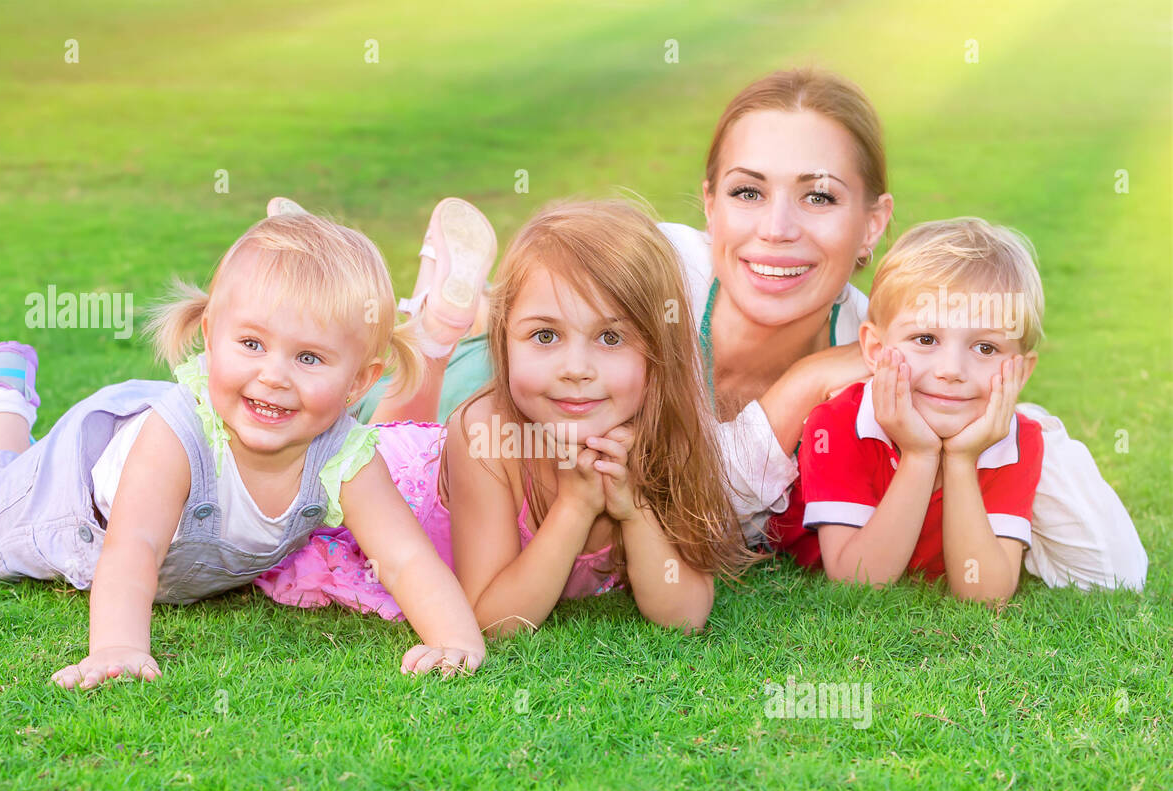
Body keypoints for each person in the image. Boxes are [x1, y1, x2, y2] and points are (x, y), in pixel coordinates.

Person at [356, 68, 1147, 590]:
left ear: (873, 224)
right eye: (747, 192)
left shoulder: (906, 352)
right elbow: (695, 492)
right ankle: (432, 328)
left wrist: (1011, 420)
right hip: (497, 384)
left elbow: (1118, 570)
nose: (776, 230)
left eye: (820, 197)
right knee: (383, 426)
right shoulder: (663, 269)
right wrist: (803, 384)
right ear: (708, 203)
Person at [0, 212, 485, 687]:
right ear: (210, 337)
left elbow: (406, 558)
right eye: (251, 343)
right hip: (71, 499)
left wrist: (453, 638)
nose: (274, 376)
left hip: (168, 528)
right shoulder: (178, 436)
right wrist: (119, 649)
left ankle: (0, 399)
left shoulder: (344, 456)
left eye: (308, 358)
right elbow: (135, 546)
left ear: (360, 381)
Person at [256, 200, 755, 635]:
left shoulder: (667, 433)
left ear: (657, 351)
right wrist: (575, 508)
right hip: (395, 489)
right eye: (544, 335)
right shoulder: (485, 436)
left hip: (426, 459)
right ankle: (320, 270)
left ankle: (428, 325)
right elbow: (492, 620)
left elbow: (684, 616)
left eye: (610, 338)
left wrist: (634, 509)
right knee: (340, 429)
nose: (576, 370)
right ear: (503, 343)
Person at [769, 218, 1045, 604]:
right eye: (926, 339)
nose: (951, 371)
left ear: (1021, 371)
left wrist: (962, 460)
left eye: (985, 348)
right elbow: (858, 583)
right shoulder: (836, 423)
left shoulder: (1017, 439)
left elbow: (985, 594)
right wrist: (920, 455)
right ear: (876, 350)